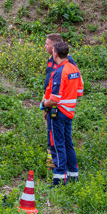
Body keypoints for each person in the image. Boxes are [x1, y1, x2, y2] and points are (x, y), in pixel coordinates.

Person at [42, 41, 84, 186]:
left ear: (55, 54)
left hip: (58, 113)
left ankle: (59, 179)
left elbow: (54, 99)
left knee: (57, 144)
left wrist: (44, 104)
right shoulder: (74, 69)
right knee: (67, 143)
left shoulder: (60, 72)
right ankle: (73, 175)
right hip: (69, 112)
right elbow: (80, 92)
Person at [42, 34, 76, 169]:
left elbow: (74, 82)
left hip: (58, 103)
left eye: (47, 44)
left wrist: (50, 102)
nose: (45, 46)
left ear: (54, 47)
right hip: (49, 97)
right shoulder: (51, 59)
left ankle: (58, 167)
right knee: (50, 130)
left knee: (57, 134)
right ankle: (53, 160)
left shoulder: (68, 63)